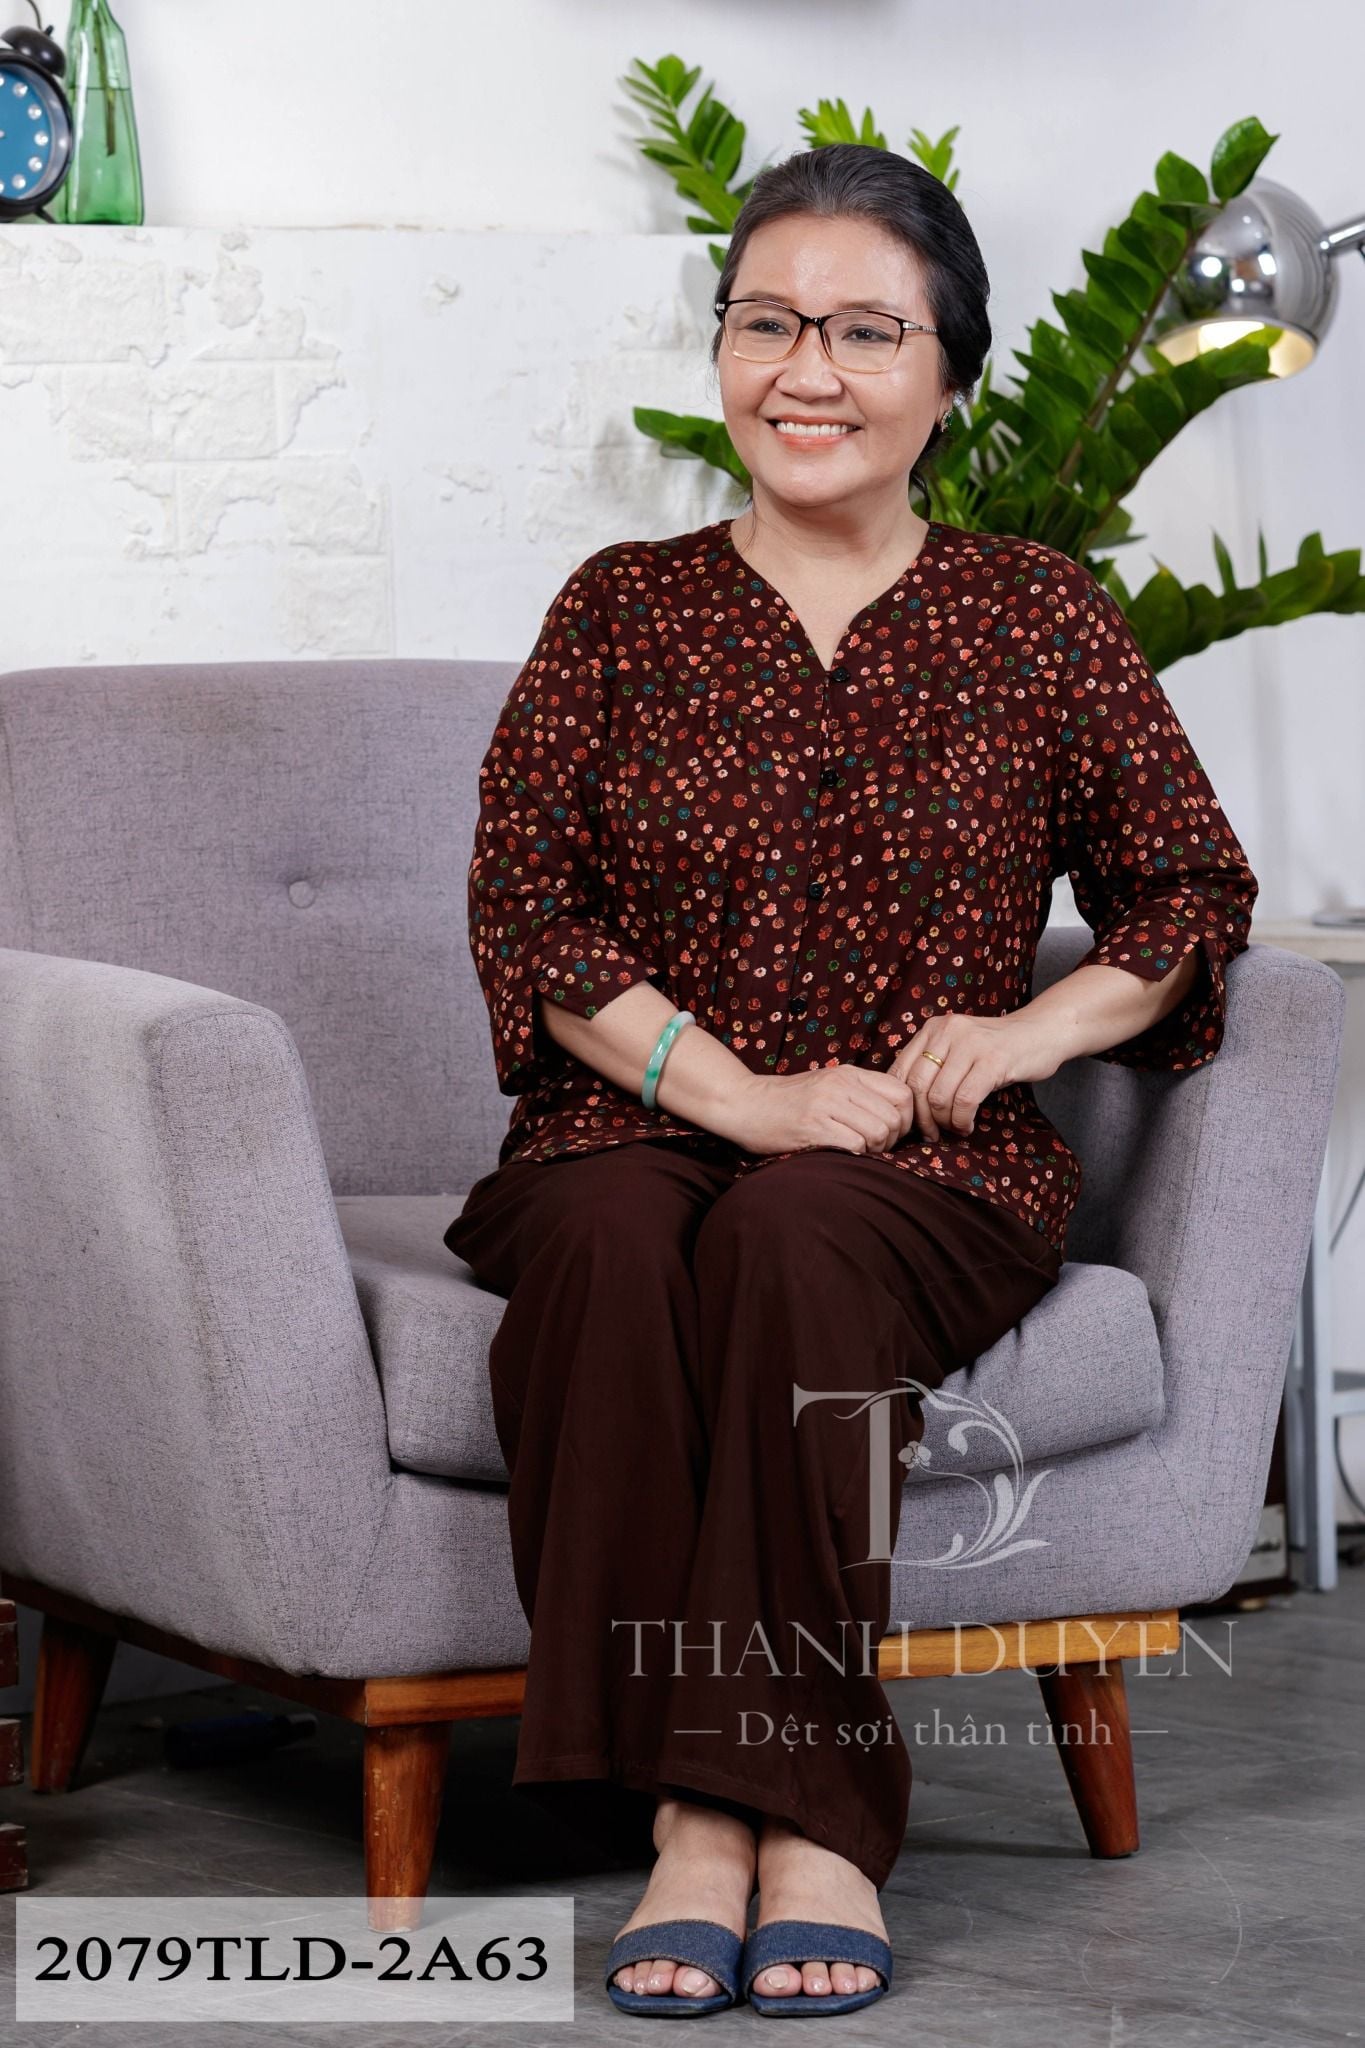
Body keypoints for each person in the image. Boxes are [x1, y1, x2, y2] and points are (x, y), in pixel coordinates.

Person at [444, 141, 1259, 2017]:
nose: (804, 370)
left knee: (796, 1234)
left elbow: (1184, 890)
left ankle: (783, 1820)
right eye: (767, 322)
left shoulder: (1035, 616)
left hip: (923, 1163)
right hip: (631, 1119)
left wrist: (1027, 1034)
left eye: (864, 332)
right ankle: (700, 1810)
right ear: (723, 352)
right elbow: (528, 909)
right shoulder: (619, 608)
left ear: (948, 378)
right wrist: (735, 1094)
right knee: (607, 1243)